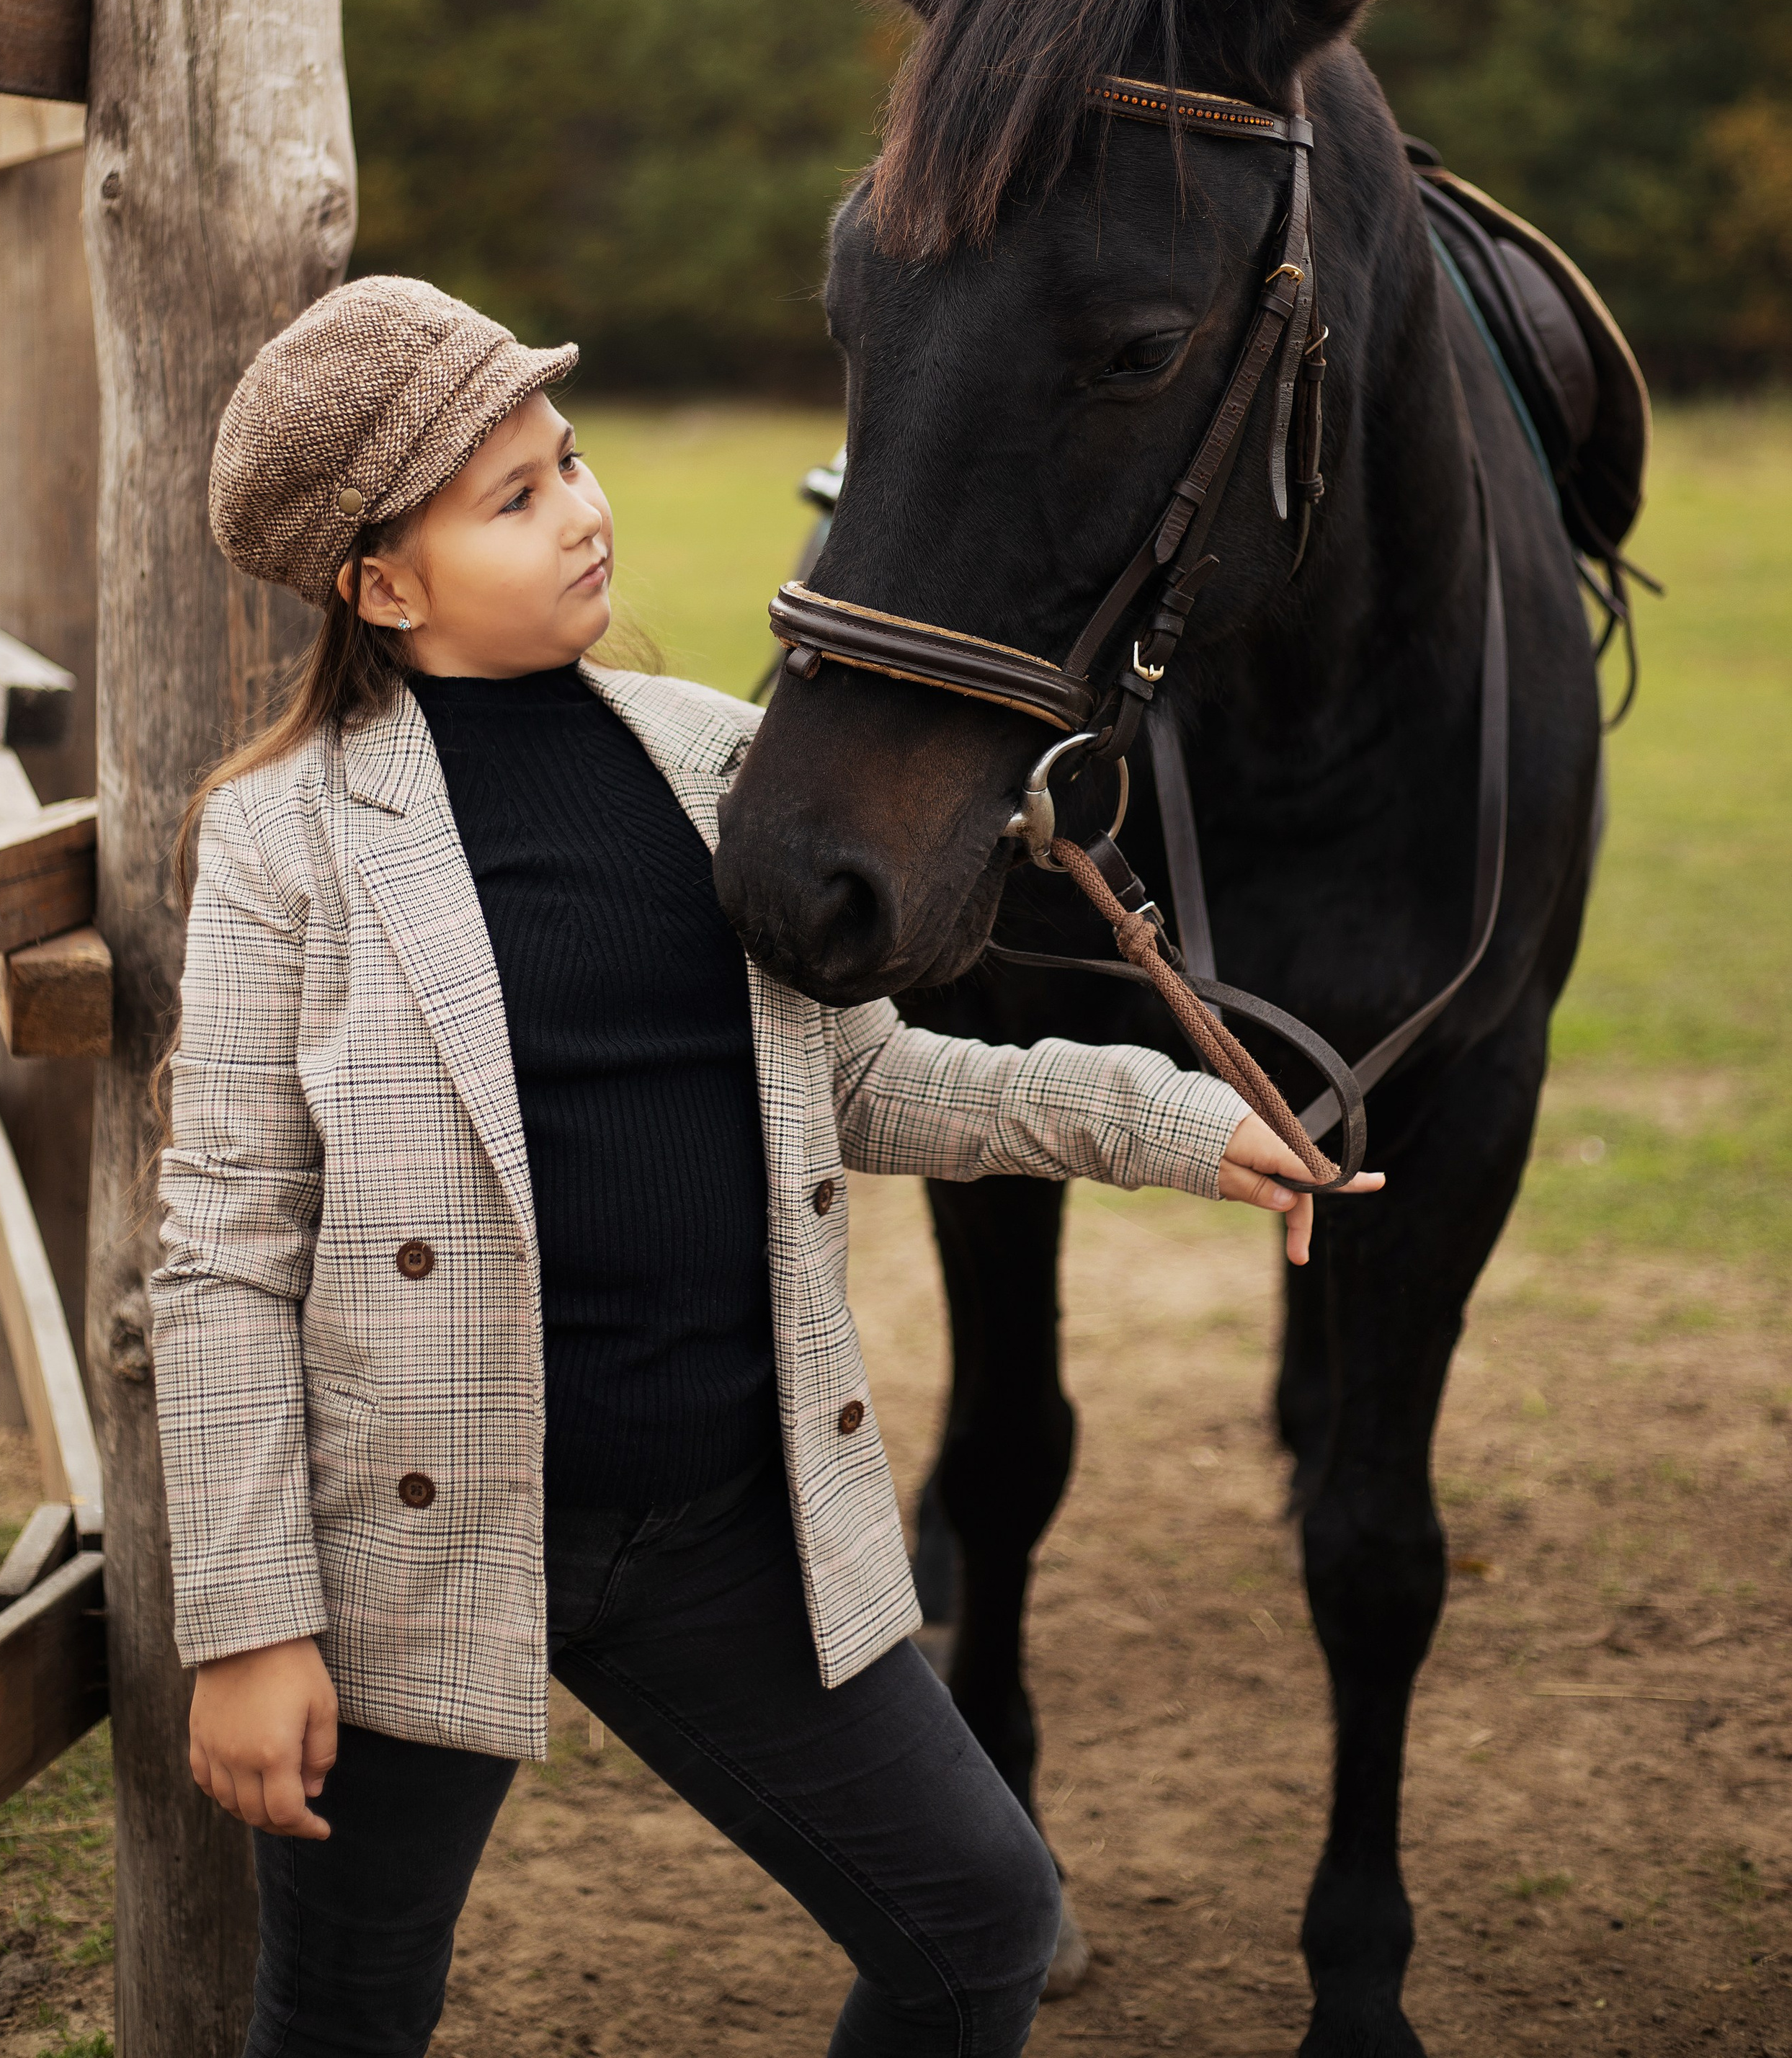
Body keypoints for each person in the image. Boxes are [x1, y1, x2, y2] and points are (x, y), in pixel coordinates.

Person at [153, 276, 1382, 2058]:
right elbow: (222, 1254)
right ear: (381, 582)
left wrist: (1175, 1122)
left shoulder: (715, 764)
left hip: (727, 1525)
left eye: (567, 462)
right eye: (513, 497)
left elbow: (863, 1088)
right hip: (406, 1549)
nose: (582, 510)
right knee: (343, 2015)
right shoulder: (285, 844)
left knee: (976, 1920)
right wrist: (252, 1624)